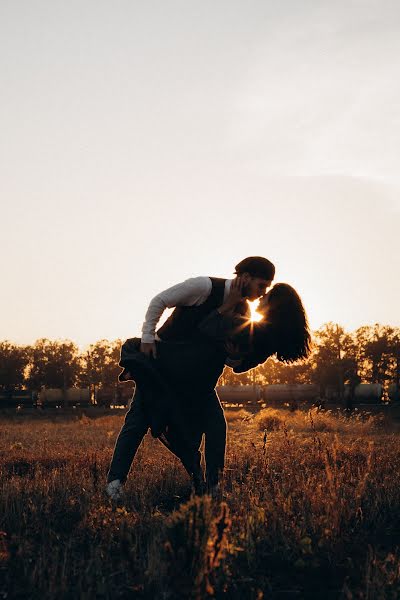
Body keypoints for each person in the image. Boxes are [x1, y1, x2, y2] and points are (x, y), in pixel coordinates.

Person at [106, 279, 311, 500]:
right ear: (247, 277)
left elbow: (236, 362)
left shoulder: (258, 331)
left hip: (198, 380)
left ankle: (211, 486)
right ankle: (115, 483)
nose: (261, 295)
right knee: (137, 422)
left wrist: (233, 354)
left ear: (276, 308)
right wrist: (147, 338)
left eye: (266, 294)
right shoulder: (206, 288)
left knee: (215, 426)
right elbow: (178, 312)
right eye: (262, 287)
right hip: (163, 369)